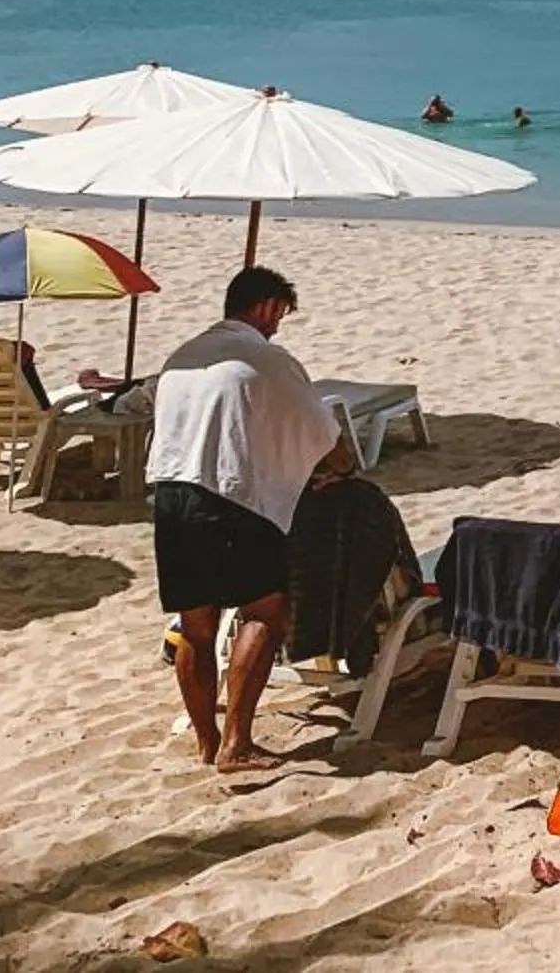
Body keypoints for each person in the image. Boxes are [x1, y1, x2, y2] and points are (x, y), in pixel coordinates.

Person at [146, 266, 356, 774]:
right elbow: (320, 431)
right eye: (279, 315)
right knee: (266, 612)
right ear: (265, 307)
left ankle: (206, 741)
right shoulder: (266, 358)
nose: (278, 326)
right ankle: (236, 743)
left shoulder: (183, 356)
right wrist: (342, 467)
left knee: (196, 627)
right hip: (231, 497)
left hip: (171, 494)